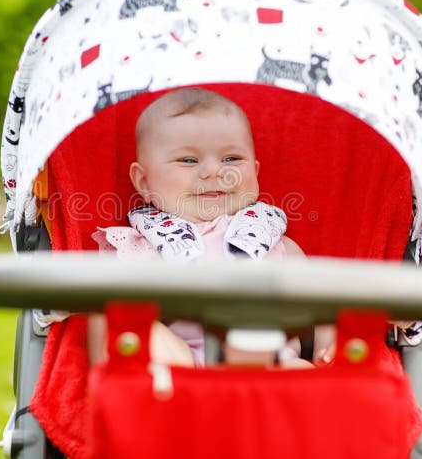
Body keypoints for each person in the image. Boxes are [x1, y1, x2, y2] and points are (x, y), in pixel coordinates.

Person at [87, 87, 334, 368]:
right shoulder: (138, 246)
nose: (213, 171)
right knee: (115, 311)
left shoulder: (274, 240)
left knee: (305, 367)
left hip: (271, 371)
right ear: (143, 182)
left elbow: (319, 307)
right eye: (188, 160)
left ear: (255, 171)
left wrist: (328, 346)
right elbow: (108, 321)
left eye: (231, 159)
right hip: (182, 374)